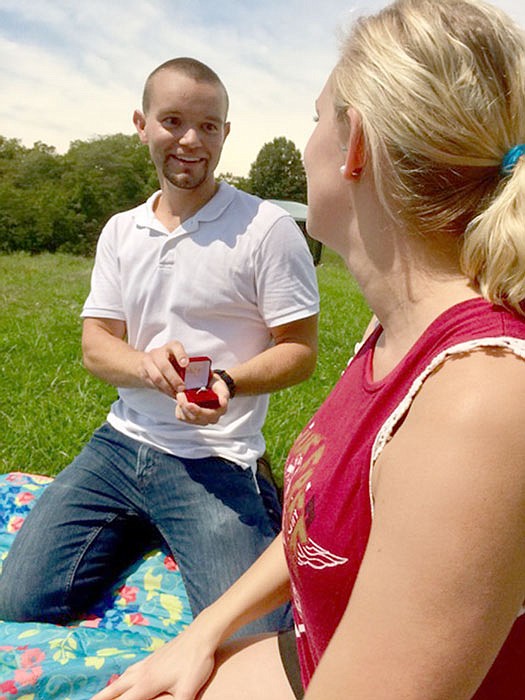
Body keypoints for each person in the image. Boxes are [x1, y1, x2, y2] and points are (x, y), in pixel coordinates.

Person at [90, 1, 525, 698]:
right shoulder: (397, 335)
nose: (305, 141)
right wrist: (200, 634)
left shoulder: (478, 400)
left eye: (315, 116)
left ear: (353, 144)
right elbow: (319, 523)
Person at [0, 57, 319, 633]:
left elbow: (300, 350)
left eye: (210, 125)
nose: (191, 140)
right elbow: (96, 344)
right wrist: (146, 367)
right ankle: (145, 520)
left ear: (226, 132)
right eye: (172, 120)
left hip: (216, 456)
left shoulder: (266, 228)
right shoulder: (122, 230)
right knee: (15, 605)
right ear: (141, 125)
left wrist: (228, 382)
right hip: (119, 448)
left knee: (254, 637)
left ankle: (232, 504)